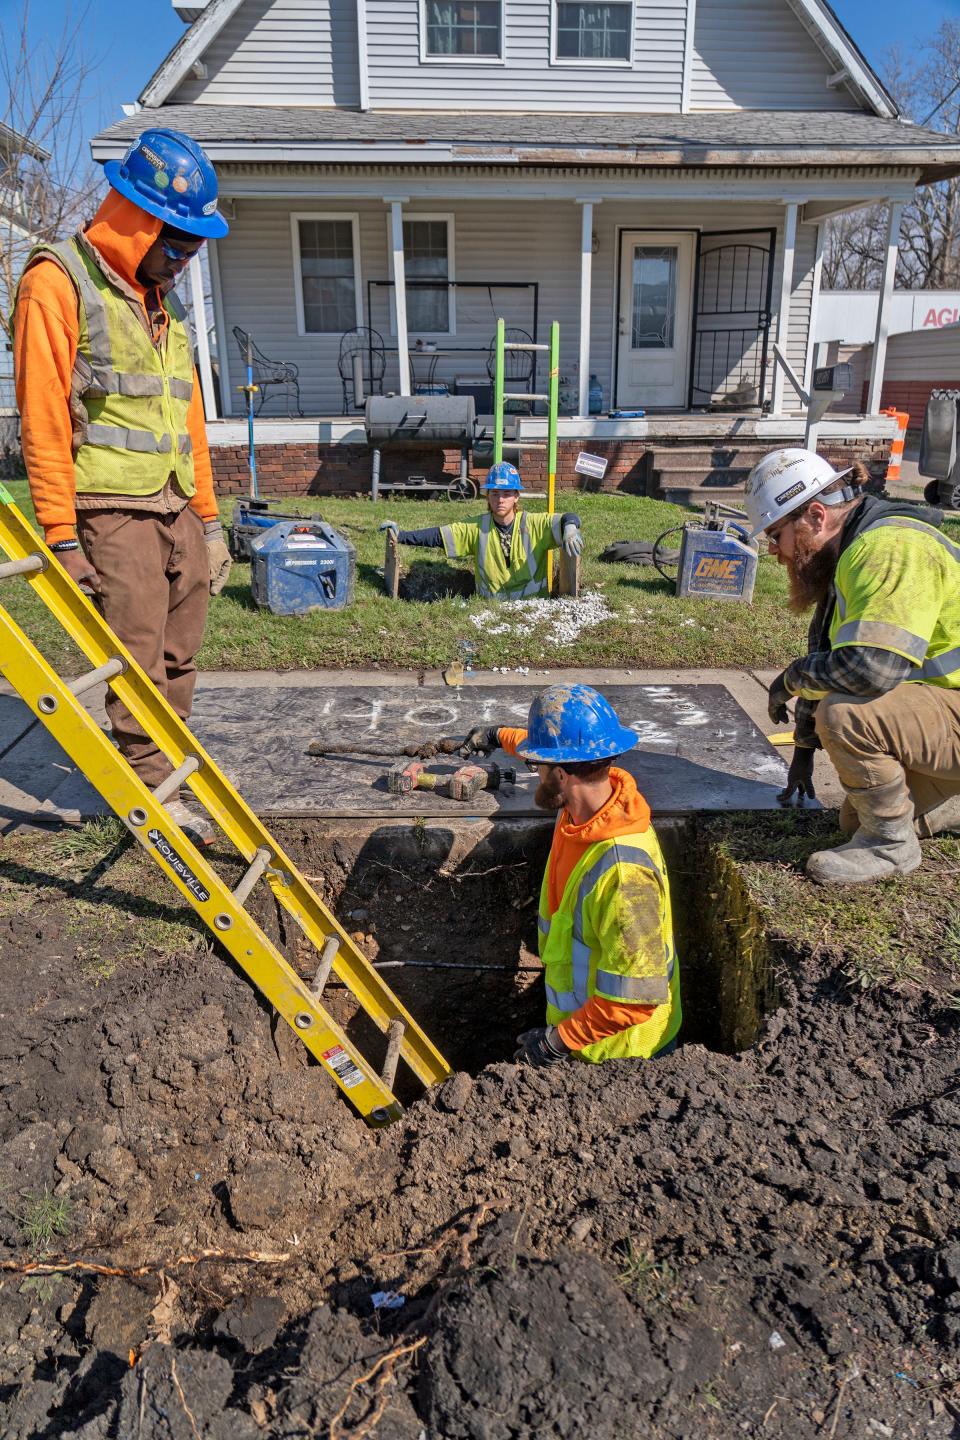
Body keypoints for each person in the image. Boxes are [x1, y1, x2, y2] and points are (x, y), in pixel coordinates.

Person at [12, 128, 233, 843]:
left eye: (193, 250)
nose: (183, 262)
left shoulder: (159, 302)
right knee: (135, 655)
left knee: (181, 652)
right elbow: (42, 416)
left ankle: (169, 760)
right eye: (178, 245)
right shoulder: (57, 282)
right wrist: (60, 533)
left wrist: (209, 519)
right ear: (139, 222)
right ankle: (148, 791)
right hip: (111, 511)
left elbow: (188, 420)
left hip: (174, 503)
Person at [744, 448, 960, 885]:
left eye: (776, 535)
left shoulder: (890, 549)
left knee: (848, 714)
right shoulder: (851, 550)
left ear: (816, 516)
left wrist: (792, 676)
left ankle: (891, 848)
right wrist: (803, 751)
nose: (776, 553)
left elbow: (869, 671)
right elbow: (830, 652)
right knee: (853, 820)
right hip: (949, 707)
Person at [461, 684, 681, 1065]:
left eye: (537, 766)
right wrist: (497, 735)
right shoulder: (592, 802)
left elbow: (637, 999)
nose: (534, 771)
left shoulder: (624, 876)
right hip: (586, 1031)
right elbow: (560, 745)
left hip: (619, 1055)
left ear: (561, 775)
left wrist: (556, 1043)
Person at [379, 461, 583, 600]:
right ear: (487, 496)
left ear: (516, 497)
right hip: (489, 609)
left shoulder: (533, 524)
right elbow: (438, 536)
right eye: (495, 493)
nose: (500, 499)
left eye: (506, 493)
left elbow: (568, 517)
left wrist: (571, 529)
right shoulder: (477, 527)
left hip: (533, 606)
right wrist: (401, 535)